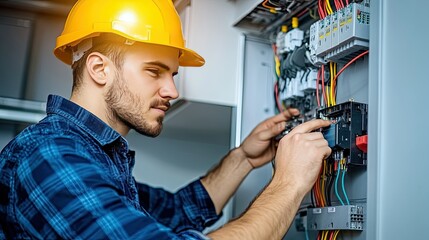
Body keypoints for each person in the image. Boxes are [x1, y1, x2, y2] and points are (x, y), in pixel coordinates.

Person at [0, 0, 331, 239]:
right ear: (99, 69)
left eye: (172, 73)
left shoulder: (97, 157)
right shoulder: (50, 155)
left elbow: (177, 210)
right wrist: (289, 184)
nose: (171, 89)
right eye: (154, 71)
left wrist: (243, 158)